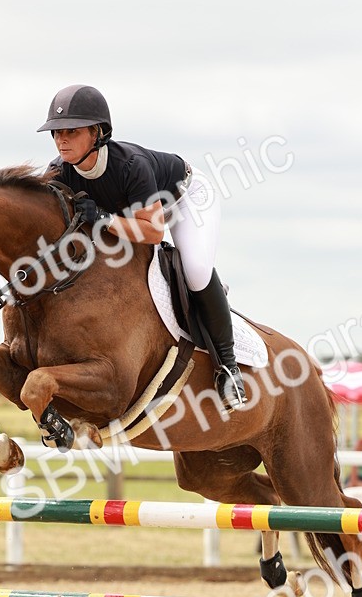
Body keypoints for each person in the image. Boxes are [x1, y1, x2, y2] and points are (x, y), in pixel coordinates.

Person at [37, 84, 247, 410]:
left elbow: (151, 231)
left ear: (97, 132)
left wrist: (104, 219)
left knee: (195, 270)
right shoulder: (59, 171)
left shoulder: (129, 165)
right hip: (131, 215)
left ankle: (229, 368)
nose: (61, 140)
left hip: (184, 199)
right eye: (56, 132)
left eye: (72, 131)